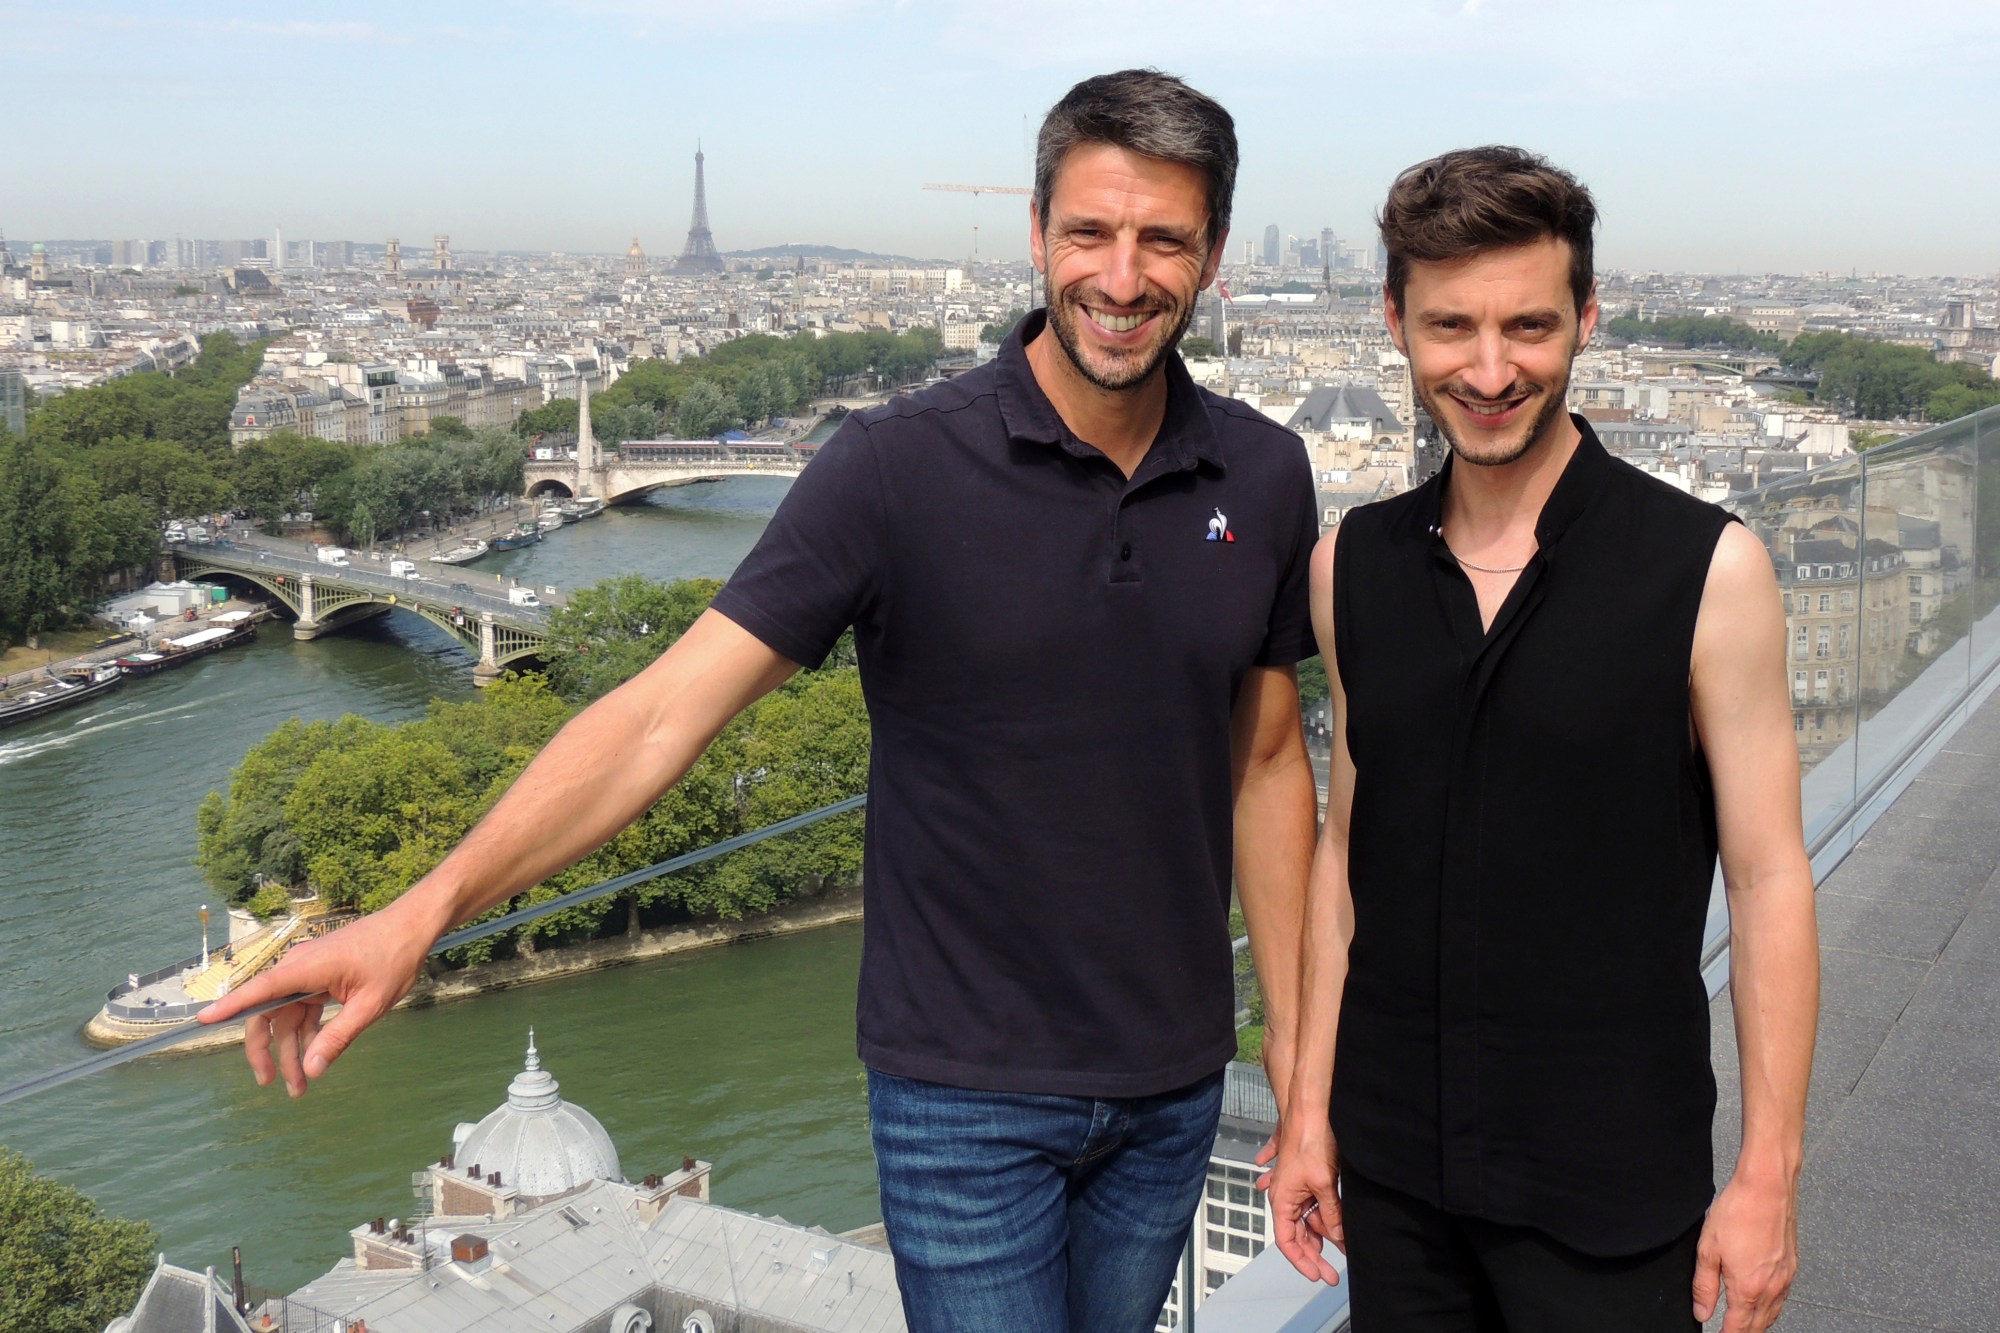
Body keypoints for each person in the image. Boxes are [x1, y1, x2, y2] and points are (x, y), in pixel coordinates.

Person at [203, 69, 1320, 1333]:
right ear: (1034, 234)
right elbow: (659, 717)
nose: (1120, 278)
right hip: (961, 1090)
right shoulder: (892, 470)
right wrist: (422, 911)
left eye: (1161, 238)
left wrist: (1291, 1054)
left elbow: (1268, 763)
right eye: (1090, 233)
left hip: (1175, 1079)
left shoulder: (1267, 475)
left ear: (1213, 255)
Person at [1264, 147, 1819, 1333]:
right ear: (1393, 323)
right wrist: (1307, 1105)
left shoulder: (1709, 570)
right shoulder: (1344, 567)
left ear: (1585, 319)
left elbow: (1769, 876)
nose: (1488, 368)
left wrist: (1767, 1171)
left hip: (1607, 1178)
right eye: (1449, 326)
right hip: (1397, 1170)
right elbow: (1346, 856)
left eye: (1526, 325)